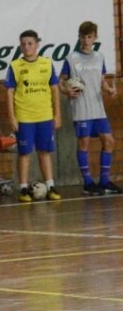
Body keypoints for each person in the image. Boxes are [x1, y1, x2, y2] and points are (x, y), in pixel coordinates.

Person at [59, 21, 120, 195]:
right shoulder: (71, 58)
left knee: (109, 141)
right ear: (79, 36)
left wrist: (109, 90)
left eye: (89, 37)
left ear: (95, 37)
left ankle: (104, 181)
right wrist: (66, 91)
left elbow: (102, 80)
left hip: (98, 109)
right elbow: (61, 81)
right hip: (81, 109)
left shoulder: (99, 56)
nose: (86, 40)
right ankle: (87, 183)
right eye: (83, 36)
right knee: (84, 144)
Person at [5, 30, 61, 202]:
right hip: (24, 117)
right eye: (23, 44)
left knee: (45, 151)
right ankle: (23, 188)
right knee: (24, 153)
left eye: (30, 43)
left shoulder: (46, 63)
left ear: (37, 44)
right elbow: (9, 92)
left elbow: (55, 89)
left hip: (44, 115)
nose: (26, 47)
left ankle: (50, 186)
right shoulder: (15, 66)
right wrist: (12, 117)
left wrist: (57, 114)